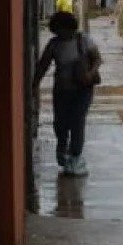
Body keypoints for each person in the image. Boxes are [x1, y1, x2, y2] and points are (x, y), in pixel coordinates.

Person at [33, 11, 101, 177]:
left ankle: (75, 156)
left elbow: (97, 59)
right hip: (62, 90)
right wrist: (34, 85)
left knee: (77, 121)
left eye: (59, 29)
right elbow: (43, 65)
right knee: (61, 123)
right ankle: (62, 147)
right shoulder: (53, 45)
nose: (57, 33)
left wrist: (90, 73)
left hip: (82, 90)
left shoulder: (83, 40)